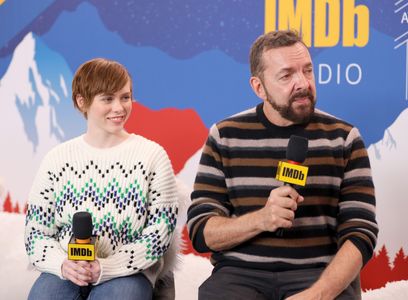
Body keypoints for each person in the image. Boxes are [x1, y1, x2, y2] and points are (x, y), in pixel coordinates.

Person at [187, 30, 378, 300]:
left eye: (307, 71)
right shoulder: (225, 135)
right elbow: (201, 231)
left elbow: (361, 233)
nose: (302, 83)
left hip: (317, 275)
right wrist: (262, 219)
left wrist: (318, 295)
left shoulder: (344, 138)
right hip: (240, 275)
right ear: (258, 87)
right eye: (287, 75)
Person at [25, 58, 179, 300]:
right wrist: (63, 264)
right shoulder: (57, 159)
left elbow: (160, 233)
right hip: (66, 270)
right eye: (108, 99)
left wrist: (108, 267)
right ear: (82, 101)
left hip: (128, 272)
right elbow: (35, 233)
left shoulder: (152, 156)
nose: (119, 107)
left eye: (125, 97)